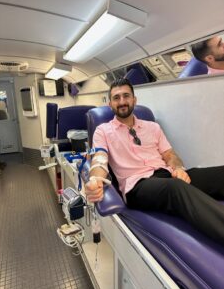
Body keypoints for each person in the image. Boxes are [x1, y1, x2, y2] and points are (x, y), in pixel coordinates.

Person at [85, 78, 224, 244]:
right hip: (137, 186)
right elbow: (99, 160)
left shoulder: (153, 127)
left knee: (219, 174)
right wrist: (95, 179)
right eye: (116, 98)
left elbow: (169, 155)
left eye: (126, 96)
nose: (122, 101)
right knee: (176, 187)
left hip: (166, 176)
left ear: (134, 100)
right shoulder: (103, 131)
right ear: (110, 104)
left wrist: (178, 168)